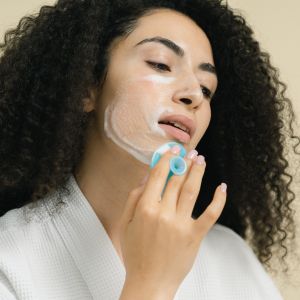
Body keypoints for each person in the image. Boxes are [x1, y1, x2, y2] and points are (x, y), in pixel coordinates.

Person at [0, 0, 299, 299]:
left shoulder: (231, 258)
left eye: (207, 88)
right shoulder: (9, 258)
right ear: (86, 87)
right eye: (160, 64)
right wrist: (150, 283)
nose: (194, 94)